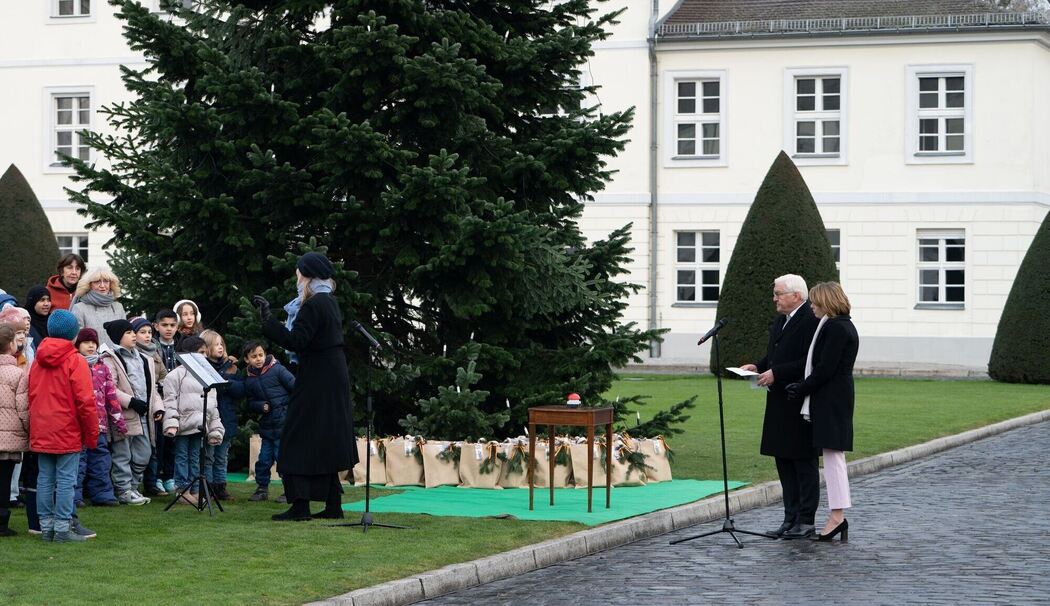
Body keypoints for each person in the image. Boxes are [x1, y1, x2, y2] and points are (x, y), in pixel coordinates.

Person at [254, 251, 356, 521]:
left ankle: (300, 505)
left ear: (307, 275)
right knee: (324, 438)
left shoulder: (313, 304)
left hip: (317, 378)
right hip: (331, 376)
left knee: (295, 438)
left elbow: (297, 341)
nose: (296, 276)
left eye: (299, 272)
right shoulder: (328, 301)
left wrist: (268, 322)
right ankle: (333, 505)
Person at [739, 273, 821, 540]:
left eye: (778, 294)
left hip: (798, 399)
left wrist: (777, 373)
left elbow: (807, 362)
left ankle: (806, 520)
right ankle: (790, 517)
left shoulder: (810, 320)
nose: (774, 298)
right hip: (778, 401)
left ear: (796, 296)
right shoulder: (782, 320)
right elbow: (776, 353)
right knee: (783, 460)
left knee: (802, 462)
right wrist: (759, 366)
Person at [784, 282, 859, 542]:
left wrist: (802, 387)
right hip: (831, 397)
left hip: (832, 399)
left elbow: (825, 368)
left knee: (833, 458)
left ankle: (837, 516)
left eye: (815, 303)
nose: (812, 307)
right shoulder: (837, 325)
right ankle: (837, 516)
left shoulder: (837, 327)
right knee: (831, 457)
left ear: (827, 302)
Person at [28, 309, 98, 543]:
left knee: (45, 479)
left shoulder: (37, 360)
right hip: (67, 427)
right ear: (73, 334)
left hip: (42, 426)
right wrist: (91, 433)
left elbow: (32, 394)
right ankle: (62, 528)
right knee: (67, 480)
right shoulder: (75, 361)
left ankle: (47, 528)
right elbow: (86, 402)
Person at [99, 319, 161, 506]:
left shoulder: (144, 359)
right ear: (119, 337)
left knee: (144, 453)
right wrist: (131, 402)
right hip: (124, 417)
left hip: (144, 415)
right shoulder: (110, 358)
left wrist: (158, 407)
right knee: (122, 454)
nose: (134, 335)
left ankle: (134, 486)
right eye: (128, 333)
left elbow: (153, 388)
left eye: (134, 332)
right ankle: (124, 490)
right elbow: (111, 387)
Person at [162, 336, 224, 506]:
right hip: (182, 425)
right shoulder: (175, 375)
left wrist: (214, 429)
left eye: (205, 352)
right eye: (200, 352)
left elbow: (213, 406)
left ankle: (195, 490)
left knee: (196, 458)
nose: (204, 356)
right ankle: (182, 490)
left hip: (200, 425)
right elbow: (170, 401)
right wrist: (172, 423)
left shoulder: (208, 375)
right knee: (182, 457)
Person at [233, 340, 295, 502]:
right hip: (267, 426)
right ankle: (262, 488)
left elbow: (295, 387)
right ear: (247, 360)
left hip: (285, 422)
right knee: (264, 460)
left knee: (283, 459)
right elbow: (250, 402)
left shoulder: (278, 369)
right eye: (254, 356)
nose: (258, 359)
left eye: (261, 355)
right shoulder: (249, 378)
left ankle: (290, 490)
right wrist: (261, 406)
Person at [73, 329, 126, 507]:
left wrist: (119, 421)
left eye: (93, 343)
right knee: (78, 462)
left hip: (99, 425)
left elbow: (111, 396)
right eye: (86, 342)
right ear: (78, 344)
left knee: (101, 461)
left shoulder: (102, 367)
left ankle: (102, 493)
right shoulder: (73, 364)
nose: (90, 346)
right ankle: (75, 495)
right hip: (78, 426)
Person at [133, 317, 169, 497]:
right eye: (142, 332)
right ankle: (135, 483)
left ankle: (152, 482)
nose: (147, 336)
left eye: (149, 332)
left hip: (156, 402)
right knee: (141, 446)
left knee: (155, 446)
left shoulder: (155, 353)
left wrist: (161, 388)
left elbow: (163, 375)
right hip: (140, 403)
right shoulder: (133, 353)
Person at [200, 329, 238, 501]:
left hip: (226, 417)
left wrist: (228, 382)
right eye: (215, 344)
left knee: (221, 456)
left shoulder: (231, 367)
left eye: (221, 343)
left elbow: (241, 389)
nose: (220, 347)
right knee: (208, 455)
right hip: (208, 417)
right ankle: (208, 487)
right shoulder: (202, 367)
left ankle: (220, 486)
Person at [0, 325, 30, 537]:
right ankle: (1, 523)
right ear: (11, 344)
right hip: (9, 437)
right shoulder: (18, 374)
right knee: (3, 481)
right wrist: (29, 430)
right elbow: (24, 408)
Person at [152, 310, 180, 494]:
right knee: (159, 440)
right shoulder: (152, 347)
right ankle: (156, 477)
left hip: (177, 399)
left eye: (172, 325)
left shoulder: (181, 346)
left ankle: (170, 476)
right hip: (159, 398)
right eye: (164, 325)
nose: (168, 329)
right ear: (156, 326)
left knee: (173, 439)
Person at [71, 270, 127, 350]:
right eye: (97, 282)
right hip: (90, 359)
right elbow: (76, 340)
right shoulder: (79, 308)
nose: (102, 285)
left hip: (117, 359)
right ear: (89, 285)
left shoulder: (118, 307)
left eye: (106, 281)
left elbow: (125, 337)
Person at [26, 286, 52, 355]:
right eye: (42, 300)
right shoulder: (25, 322)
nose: (46, 304)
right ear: (33, 302)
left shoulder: (53, 320)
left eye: (48, 300)